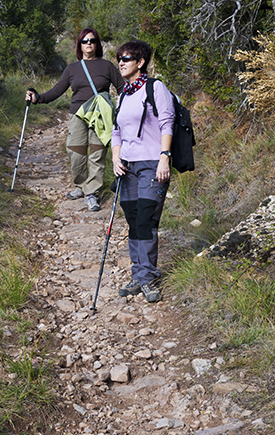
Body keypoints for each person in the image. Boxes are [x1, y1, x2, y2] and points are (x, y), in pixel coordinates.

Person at [26, 28, 124, 211]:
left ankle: (92, 193)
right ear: (79, 44)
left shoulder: (107, 66)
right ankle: (80, 186)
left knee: (97, 153)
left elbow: (122, 89)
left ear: (97, 44)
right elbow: (57, 90)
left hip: (100, 115)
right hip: (77, 115)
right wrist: (38, 98)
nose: (89, 44)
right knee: (75, 151)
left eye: (92, 41)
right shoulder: (73, 68)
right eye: (85, 41)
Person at [111, 40, 175, 302]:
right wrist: (116, 159)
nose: (121, 62)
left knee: (146, 220)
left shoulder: (155, 87)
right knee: (133, 222)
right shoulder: (124, 94)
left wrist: (164, 157)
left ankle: (148, 278)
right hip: (126, 167)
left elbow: (167, 122)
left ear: (141, 62)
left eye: (126, 58)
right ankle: (138, 275)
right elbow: (116, 130)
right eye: (119, 58)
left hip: (151, 162)